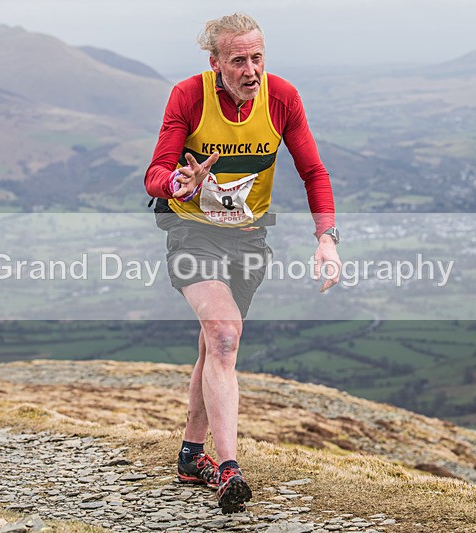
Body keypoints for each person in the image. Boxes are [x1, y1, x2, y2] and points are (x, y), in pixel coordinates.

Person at [145, 13, 341, 513]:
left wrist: (327, 239)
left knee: (214, 346)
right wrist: (176, 184)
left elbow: (313, 170)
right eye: (238, 60)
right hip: (191, 231)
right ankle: (229, 468)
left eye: (258, 58)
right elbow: (156, 172)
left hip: (249, 238)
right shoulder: (188, 96)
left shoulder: (283, 98)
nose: (251, 70)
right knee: (225, 334)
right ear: (215, 63)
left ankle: (191, 454)